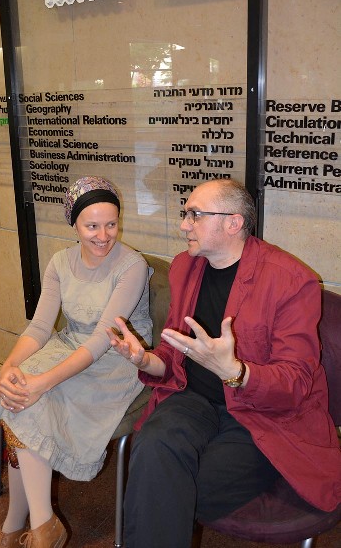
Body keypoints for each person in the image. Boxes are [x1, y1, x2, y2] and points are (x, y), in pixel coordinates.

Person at [108, 178, 341, 548]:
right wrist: (146, 359)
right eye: (185, 214)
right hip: (193, 398)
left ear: (233, 223)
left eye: (194, 215)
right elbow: (174, 352)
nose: (184, 224)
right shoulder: (186, 266)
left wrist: (236, 372)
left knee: (179, 487)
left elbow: (296, 383)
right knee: (153, 447)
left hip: (262, 416)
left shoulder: (293, 282)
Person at [0, 176, 152, 548]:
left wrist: (44, 382)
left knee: (33, 398)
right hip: (71, 345)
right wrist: (8, 366)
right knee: (11, 388)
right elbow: (41, 326)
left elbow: (101, 339)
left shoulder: (132, 265)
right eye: (92, 226)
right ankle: (41, 525)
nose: (104, 235)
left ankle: (23, 524)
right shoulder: (60, 261)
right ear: (73, 224)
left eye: (111, 224)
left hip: (117, 360)